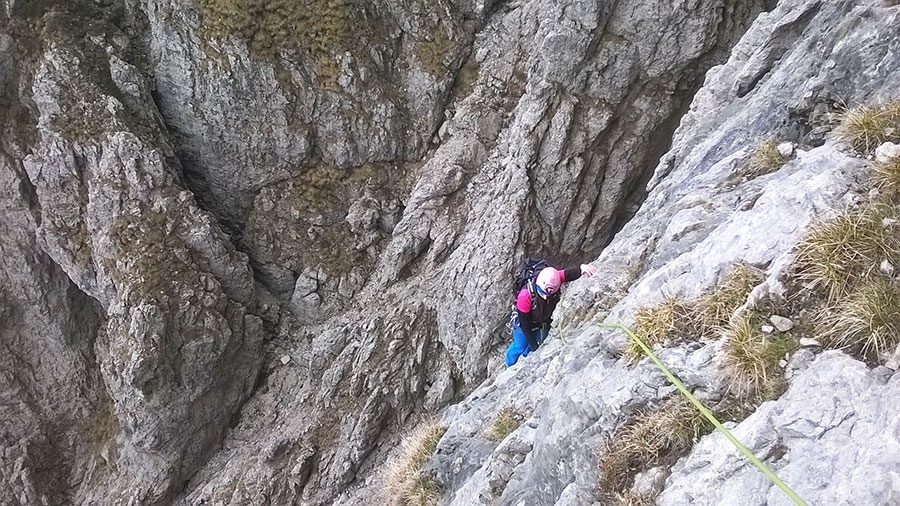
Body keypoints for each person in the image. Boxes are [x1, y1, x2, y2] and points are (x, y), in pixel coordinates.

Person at [505, 262, 598, 366]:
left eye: (548, 294)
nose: (545, 297)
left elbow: (568, 274)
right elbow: (525, 326)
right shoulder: (525, 296)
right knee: (520, 345)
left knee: (537, 342)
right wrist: (535, 347)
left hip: (542, 320)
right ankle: (509, 363)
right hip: (523, 324)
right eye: (542, 293)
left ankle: (526, 360)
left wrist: (582, 268)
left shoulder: (554, 279)